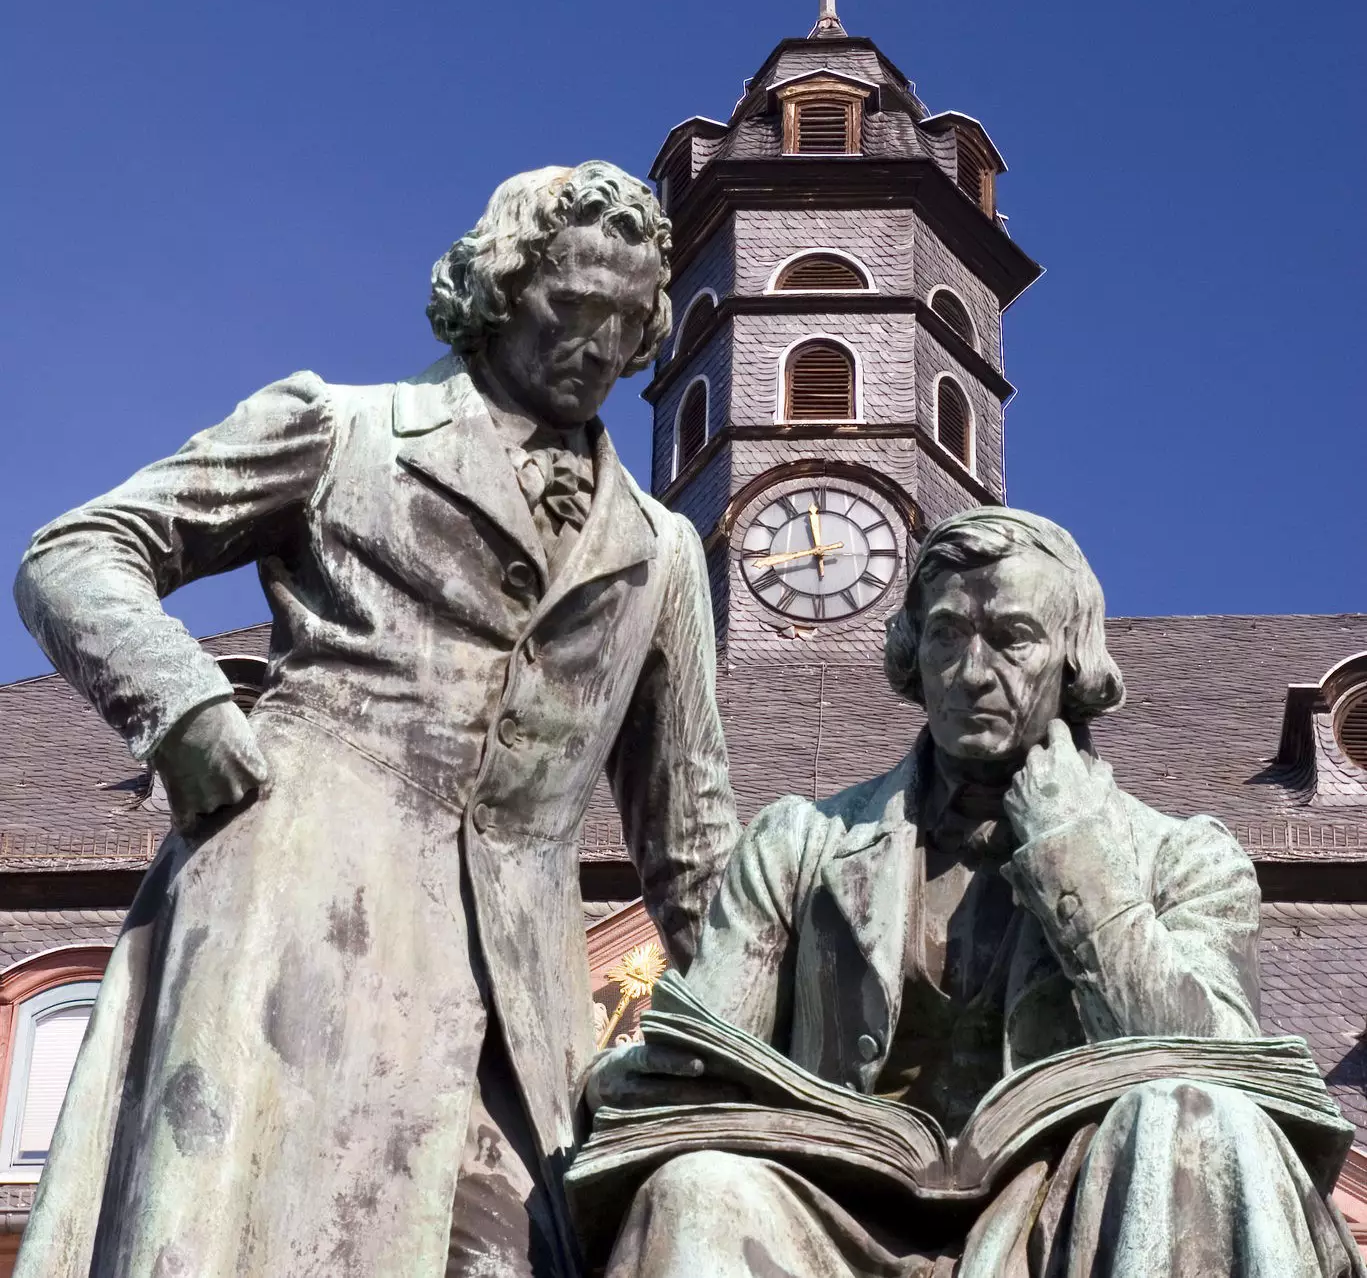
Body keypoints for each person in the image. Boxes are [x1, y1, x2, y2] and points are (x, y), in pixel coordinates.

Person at [13, 161, 738, 1278]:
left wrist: (785, 1057)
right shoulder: (340, 430)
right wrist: (183, 702)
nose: (595, 346)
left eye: (625, 322)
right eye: (569, 308)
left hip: (523, 996)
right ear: (502, 289)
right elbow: (78, 552)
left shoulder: (662, 552)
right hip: (293, 905)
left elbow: (689, 846)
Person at [590, 507, 1364, 1278]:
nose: (970, 672)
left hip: (1069, 1217)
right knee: (697, 1185)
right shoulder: (798, 843)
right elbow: (709, 1065)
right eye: (946, 635)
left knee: (1196, 1119)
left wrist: (1073, 862)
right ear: (913, 653)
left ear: (1072, 660)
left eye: (1012, 638)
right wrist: (629, 1074)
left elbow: (1221, 1069)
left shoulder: (1184, 856)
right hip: (833, 1219)